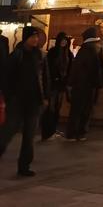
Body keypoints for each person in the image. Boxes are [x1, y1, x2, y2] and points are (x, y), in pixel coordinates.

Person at [0, 25, 47, 177]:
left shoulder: (40, 55)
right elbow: (6, 78)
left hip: (34, 102)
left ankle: (24, 166)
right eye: (32, 36)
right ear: (26, 38)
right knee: (8, 132)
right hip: (18, 102)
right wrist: (9, 97)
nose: (35, 39)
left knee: (29, 136)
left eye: (36, 36)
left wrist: (45, 96)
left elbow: (45, 78)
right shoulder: (17, 55)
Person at [66, 25, 103, 142]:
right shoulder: (99, 47)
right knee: (87, 109)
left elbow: (76, 67)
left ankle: (72, 134)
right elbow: (102, 66)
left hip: (80, 83)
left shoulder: (85, 49)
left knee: (76, 109)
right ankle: (82, 132)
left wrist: (70, 82)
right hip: (92, 84)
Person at [43, 31, 73, 139]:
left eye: (65, 40)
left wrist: (67, 81)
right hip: (53, 84)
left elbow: (70, 69)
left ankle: (53, 130)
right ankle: (47, 132)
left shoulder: (68, 53)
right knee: (50, 108)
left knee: (57, 108)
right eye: (62, 40)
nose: (64, 42)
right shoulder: (52, 52)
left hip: (62, 85)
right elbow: (48, 68)